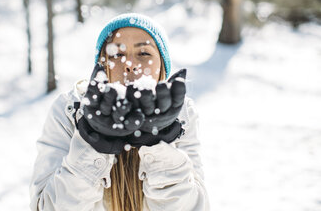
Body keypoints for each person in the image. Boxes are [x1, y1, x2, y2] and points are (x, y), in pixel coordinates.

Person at [29, 13, 210, 211]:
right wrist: (91, 144)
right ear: (101, 66)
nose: (129, 64)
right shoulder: (70, 110)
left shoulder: (182, 116)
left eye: (144, 54)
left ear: (162, 67)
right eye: (116, 54)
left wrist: (159, 148)